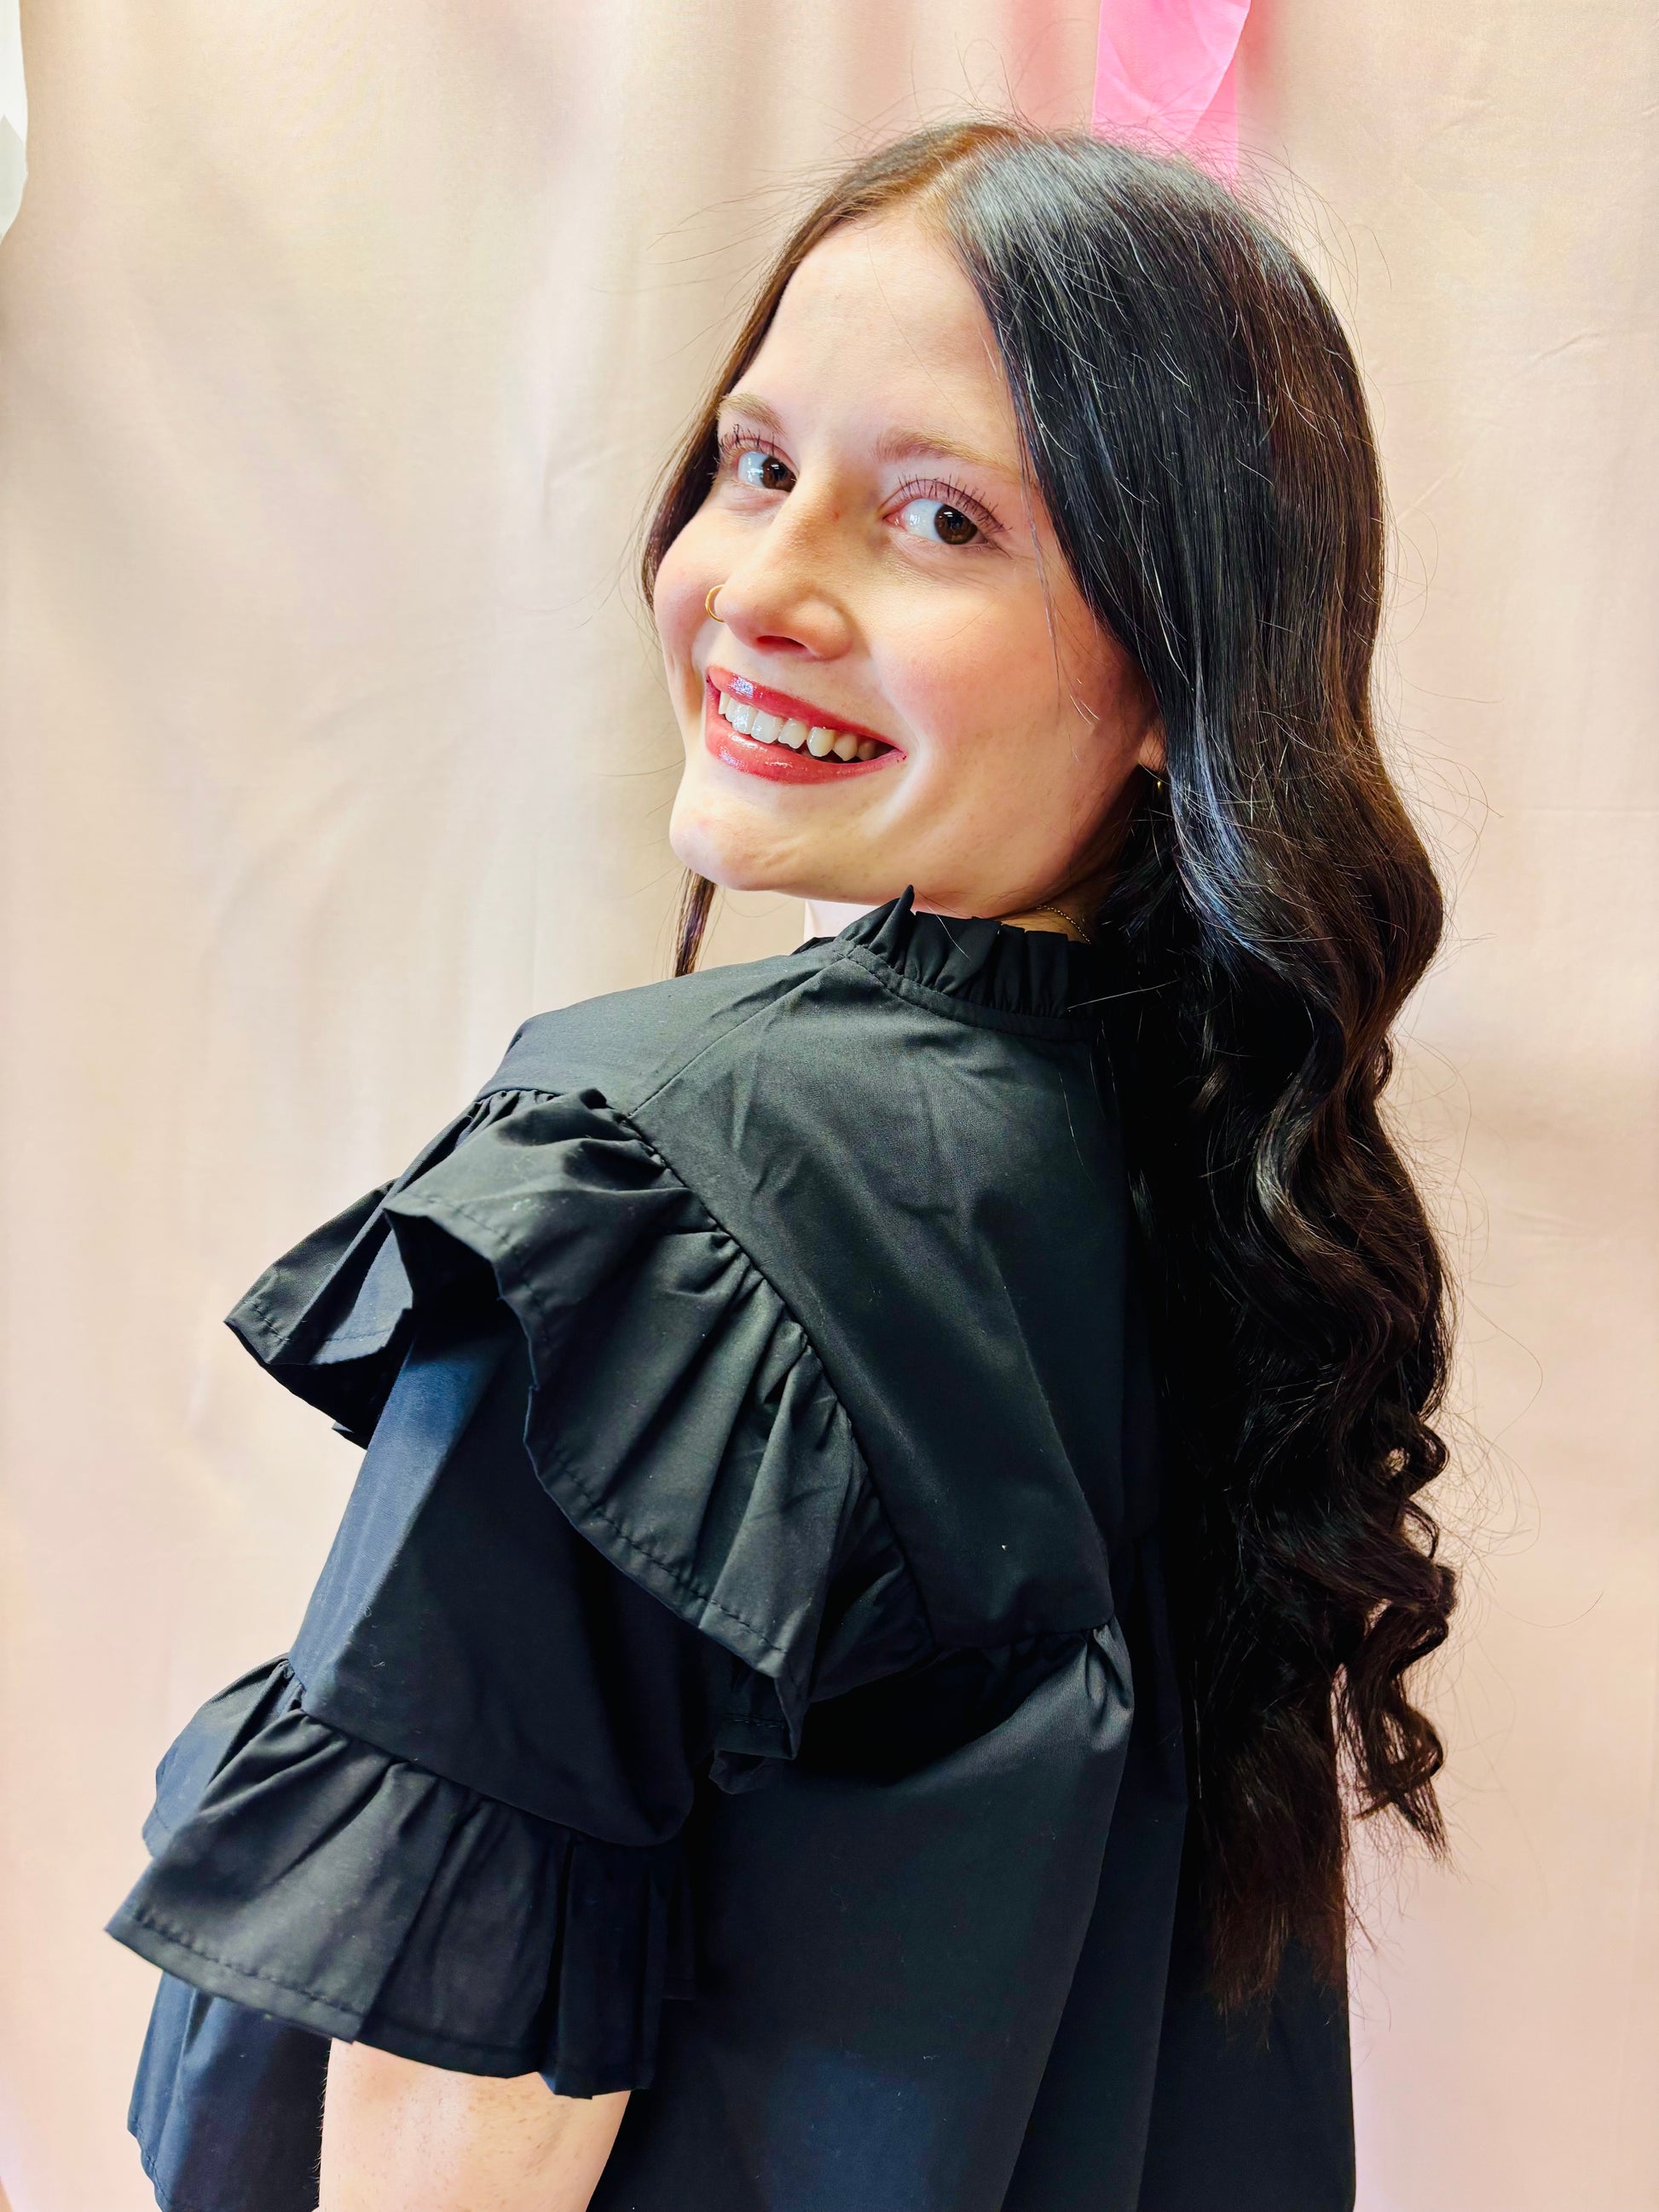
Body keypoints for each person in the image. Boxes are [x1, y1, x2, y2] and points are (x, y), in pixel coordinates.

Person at [108, 118, 1457, 2212]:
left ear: (1174, 671)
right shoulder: (1226, 1177)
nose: (757, 587)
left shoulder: (647, 1201)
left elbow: (462, 2104)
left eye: (941, 518)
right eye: (755, 464)